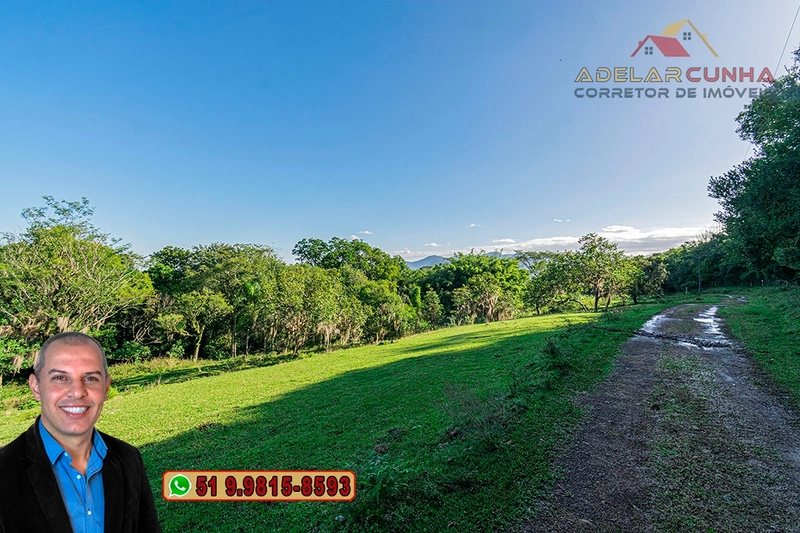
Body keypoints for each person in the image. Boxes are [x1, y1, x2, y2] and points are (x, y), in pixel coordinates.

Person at [0, 332, 162, 533]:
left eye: (90, 378)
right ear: (36, 387)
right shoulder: (4, 470)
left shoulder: (128, 458)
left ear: (105, 387)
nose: (77, 392)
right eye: (60, 377)